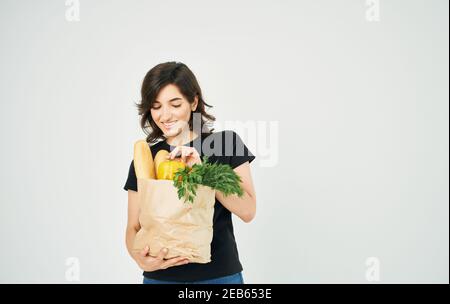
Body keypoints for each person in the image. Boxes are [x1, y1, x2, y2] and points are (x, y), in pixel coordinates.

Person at [123, 61, 257, 284]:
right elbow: (133, 227)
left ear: (193, 101)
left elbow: (248, 211)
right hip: (160, 278)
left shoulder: (225, 144)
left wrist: (202, 172)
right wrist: (140, 259)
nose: (165, 115)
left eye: (175, 104)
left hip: (219, 277)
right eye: (156, 106)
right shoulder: (146, 158)